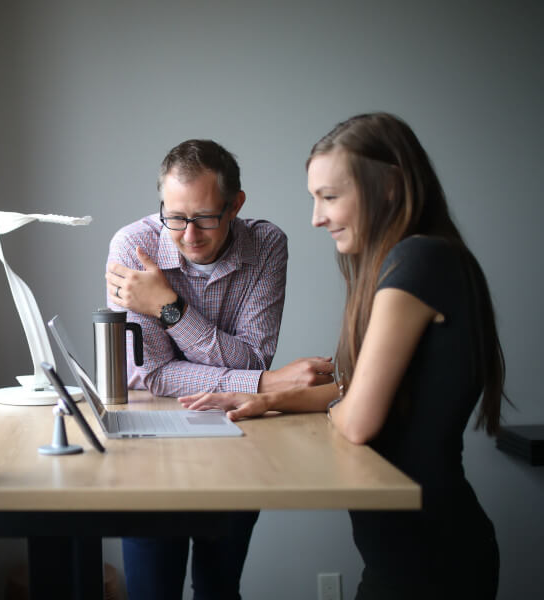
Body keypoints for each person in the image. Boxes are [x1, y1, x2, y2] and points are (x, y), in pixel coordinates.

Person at [181, 113, 506, 599]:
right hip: (404, 551)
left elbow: (357, 420)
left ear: (391, 186)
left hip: (431, 558)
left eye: (330, 197)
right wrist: (268, 400)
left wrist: (323, 401)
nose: (316, 217)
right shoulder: (415, 259)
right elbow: (358, 395)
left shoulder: (418, 262)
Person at [105, 139, 334, 600]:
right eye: (175, 217)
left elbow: (254, 357)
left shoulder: (267, 245)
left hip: (239, 441)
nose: (189, 234)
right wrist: (264, 384)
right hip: (150, 449)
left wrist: (170, 308)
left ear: (235, 206)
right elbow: (149, 376)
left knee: (219, 589)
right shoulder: (132, 246)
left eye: (205, 217)